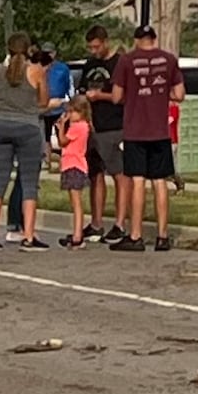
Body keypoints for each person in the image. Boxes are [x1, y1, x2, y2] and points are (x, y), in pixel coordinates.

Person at [111, 24, 185, 252]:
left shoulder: (126, 61)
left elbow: (116, 96)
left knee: (138, 181)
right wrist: (163, 94)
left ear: (136, 40)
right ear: (154, 38)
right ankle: (163, 236)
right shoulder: (169, 60)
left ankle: (136, 235)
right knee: (160, 181)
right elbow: (179, 94)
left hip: (136, 129)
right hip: (159, 130)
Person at [0, 34, 51, 252]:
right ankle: (29, 236)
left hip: (1, 124)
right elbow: (43, 101)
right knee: (29, 182)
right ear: (29, 49)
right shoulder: (35, 71)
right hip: (27, 127)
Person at [79, 25, 128, 243]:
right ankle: (96, 223)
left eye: (96, 47)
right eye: (90, 47)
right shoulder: (90, 65)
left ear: (105, 42)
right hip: (92, 127)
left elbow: (125, 97)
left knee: (119, 175)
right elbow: (81, 92)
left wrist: (101, 96)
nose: (93, 51)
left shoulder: (118, 63)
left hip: (115, 126)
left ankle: (119, 223)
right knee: (95, 175)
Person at [56, 96, 93, 248]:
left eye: (73, 112)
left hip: (73, 165)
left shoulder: (78, 127)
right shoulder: (85, 126)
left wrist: (61, 128)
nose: (70, 115)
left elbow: (62, 142)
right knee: (74, 202)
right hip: (74, 165)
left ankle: (78, 235)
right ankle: (77, 232)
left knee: (76, 202)